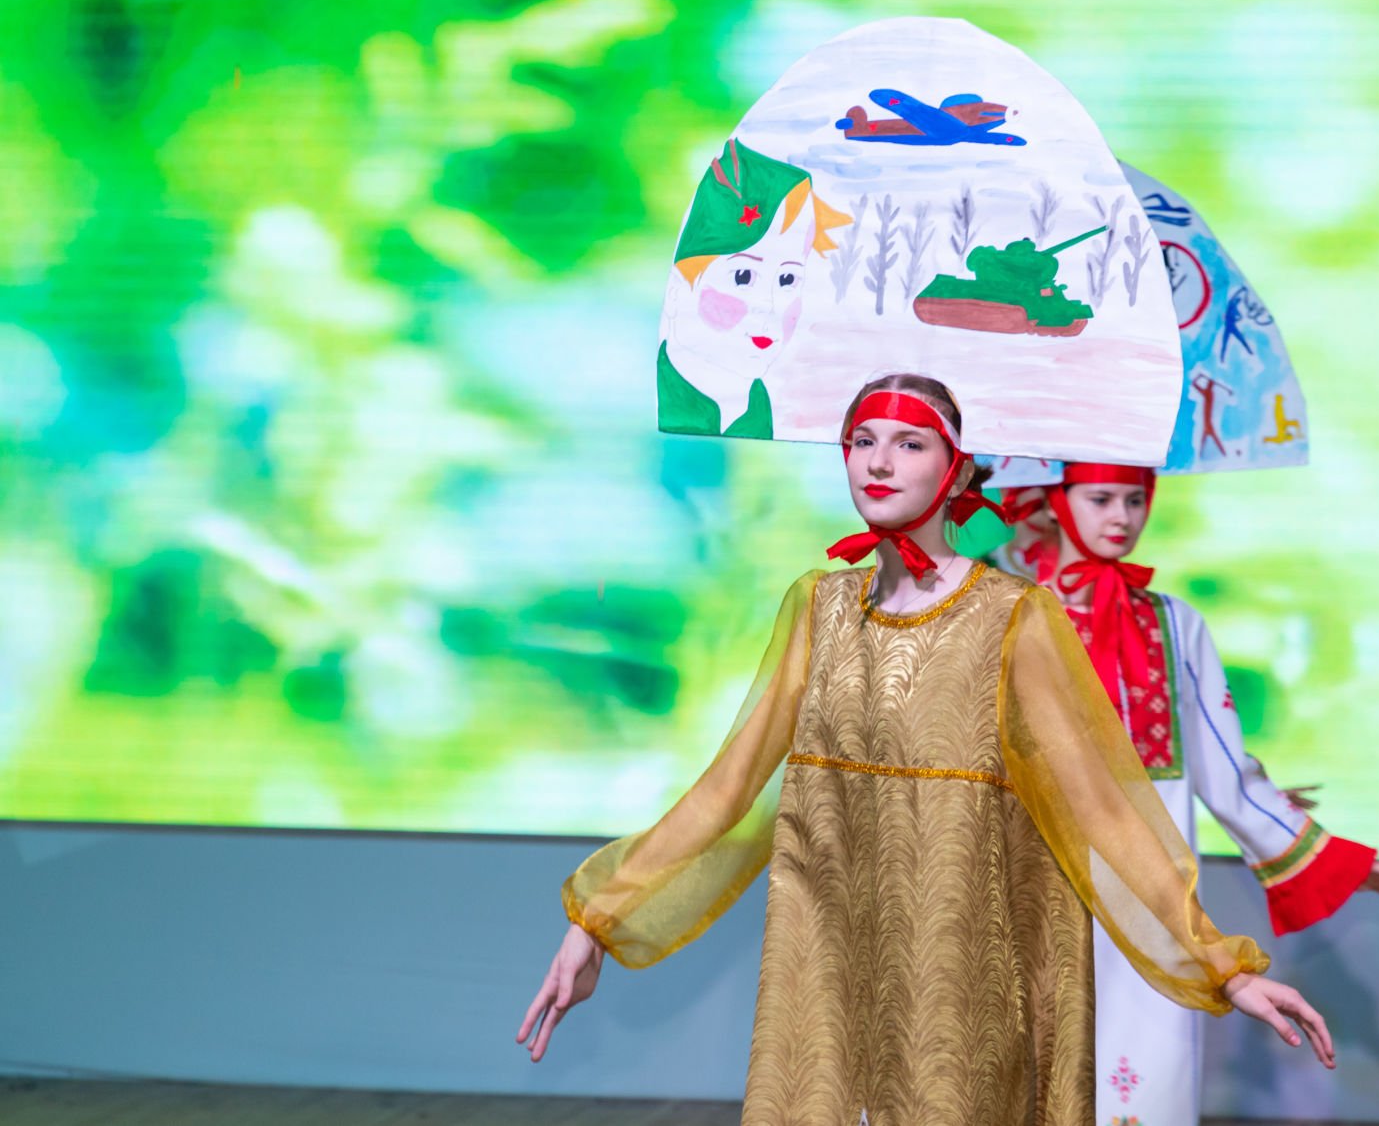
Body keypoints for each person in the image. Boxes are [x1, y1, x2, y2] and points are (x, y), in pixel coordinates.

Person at [520, 375, 1335, 1125]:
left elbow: (1103, 807)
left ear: (957, 470)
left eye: (909, 443)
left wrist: (1223, 965)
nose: (879, 462)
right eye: (862, 440)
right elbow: (729, 787)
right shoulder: (818, 605)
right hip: (826, 961)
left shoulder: (1013, 616)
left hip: (960, 979)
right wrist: (600, 919)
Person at [1038, 461, 1379, 1126]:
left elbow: (1226, 771)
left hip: (1153, 896)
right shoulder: (1016, 613)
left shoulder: (1175, 624)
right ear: (1056, 500)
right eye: (1100, 499)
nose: (1121, 517)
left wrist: (1333, 859)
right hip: (1035, 880)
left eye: (1135, 500)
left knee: (1146, 1065)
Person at [659, 138, 850, 438]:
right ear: (678, 290)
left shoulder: (761, 411)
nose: (770, 306)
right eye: (743, 276)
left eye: (788, 280)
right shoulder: (655, 400)